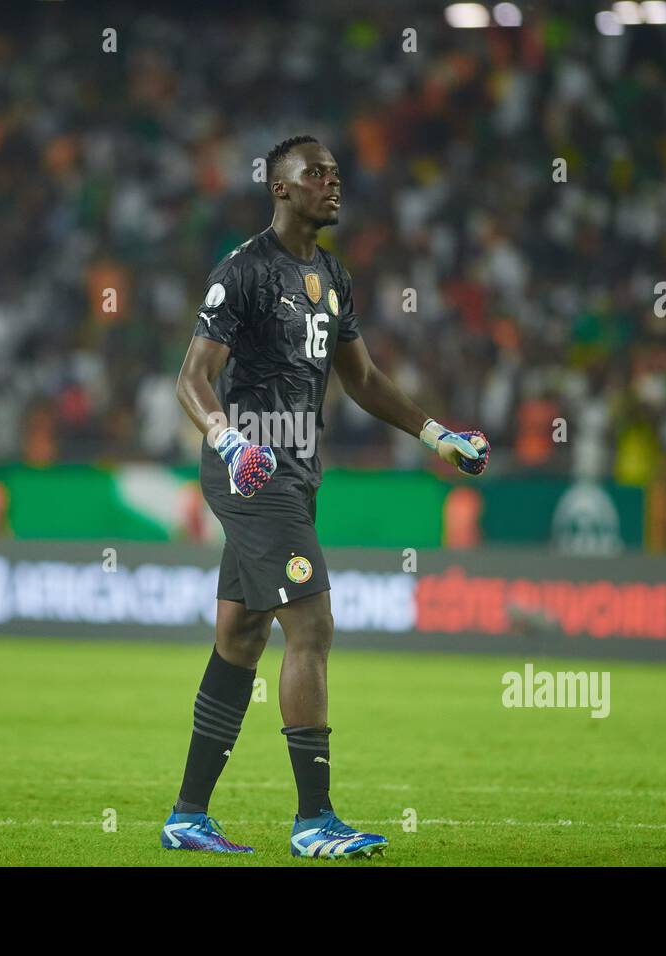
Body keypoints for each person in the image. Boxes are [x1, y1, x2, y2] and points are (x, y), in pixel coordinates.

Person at [163, 136, 490, 858]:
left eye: (336, 174)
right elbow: (191, 378)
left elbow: (365, 380)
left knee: (242, 636)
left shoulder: (334, 277)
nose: (332, 184)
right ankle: (314, 822)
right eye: (315, 174)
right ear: (279, 188)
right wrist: (226, 440)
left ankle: (188, 815)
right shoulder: (243, 271)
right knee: (311, 626)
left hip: (300, 476)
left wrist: (438, 435)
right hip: (251, 470)